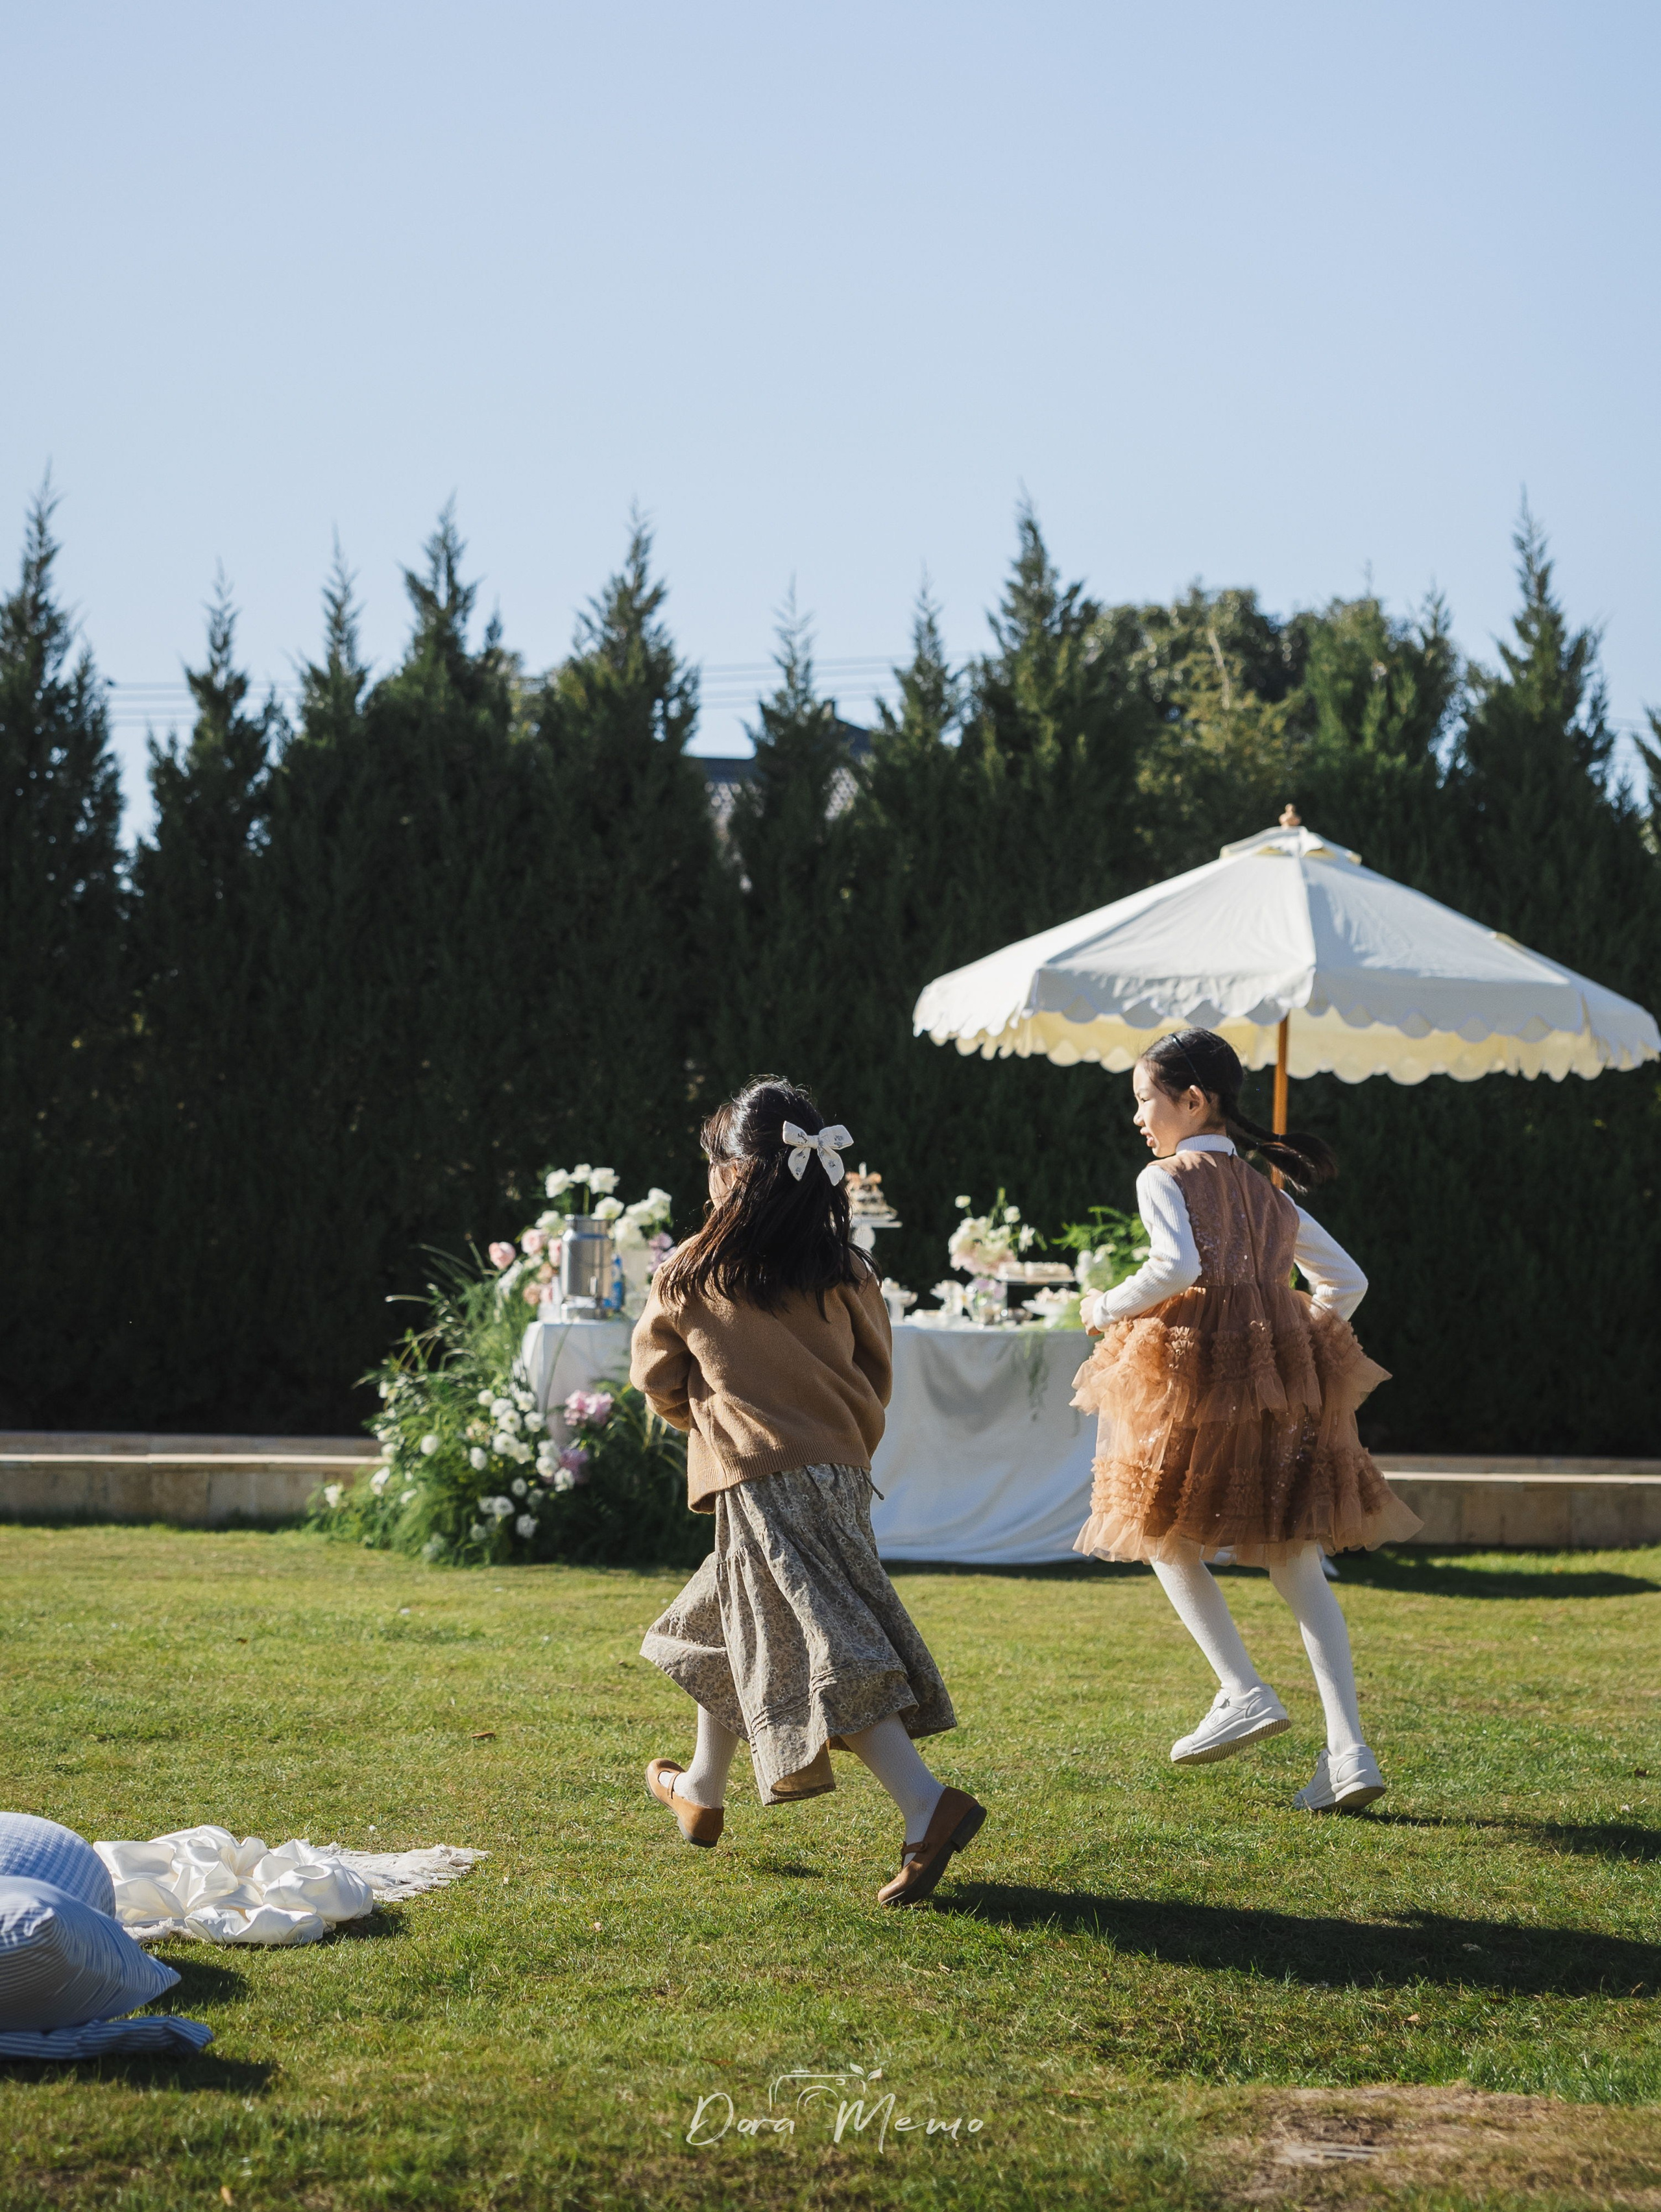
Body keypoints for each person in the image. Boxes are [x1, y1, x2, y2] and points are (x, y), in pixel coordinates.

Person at [631, 1076, 986, 1905]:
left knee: (823, 1644)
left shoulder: (691, 1271)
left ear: (734, 1174)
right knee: (729, 1624)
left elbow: (657, 1377)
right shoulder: (844, 1267)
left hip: (759, 1476)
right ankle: (701, 1790)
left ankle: (926, 1804)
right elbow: (877, 1369)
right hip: (841, 1470)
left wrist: (712, 1421)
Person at [1072, 1028, 1421, 1812]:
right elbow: (1349, 1280)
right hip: (1271, 1387)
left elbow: (1177, 1266)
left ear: (1193, 1101)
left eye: (1143, 1100)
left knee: (1159, 1528)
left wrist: (1103, 1304)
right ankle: (1348, 1750)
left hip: (1194, 1376)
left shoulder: (1163, 1175)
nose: (1137, 1119)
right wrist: (1294, 1331)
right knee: (1296, 1562)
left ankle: (1241, 1688)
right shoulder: (1270, 1193)